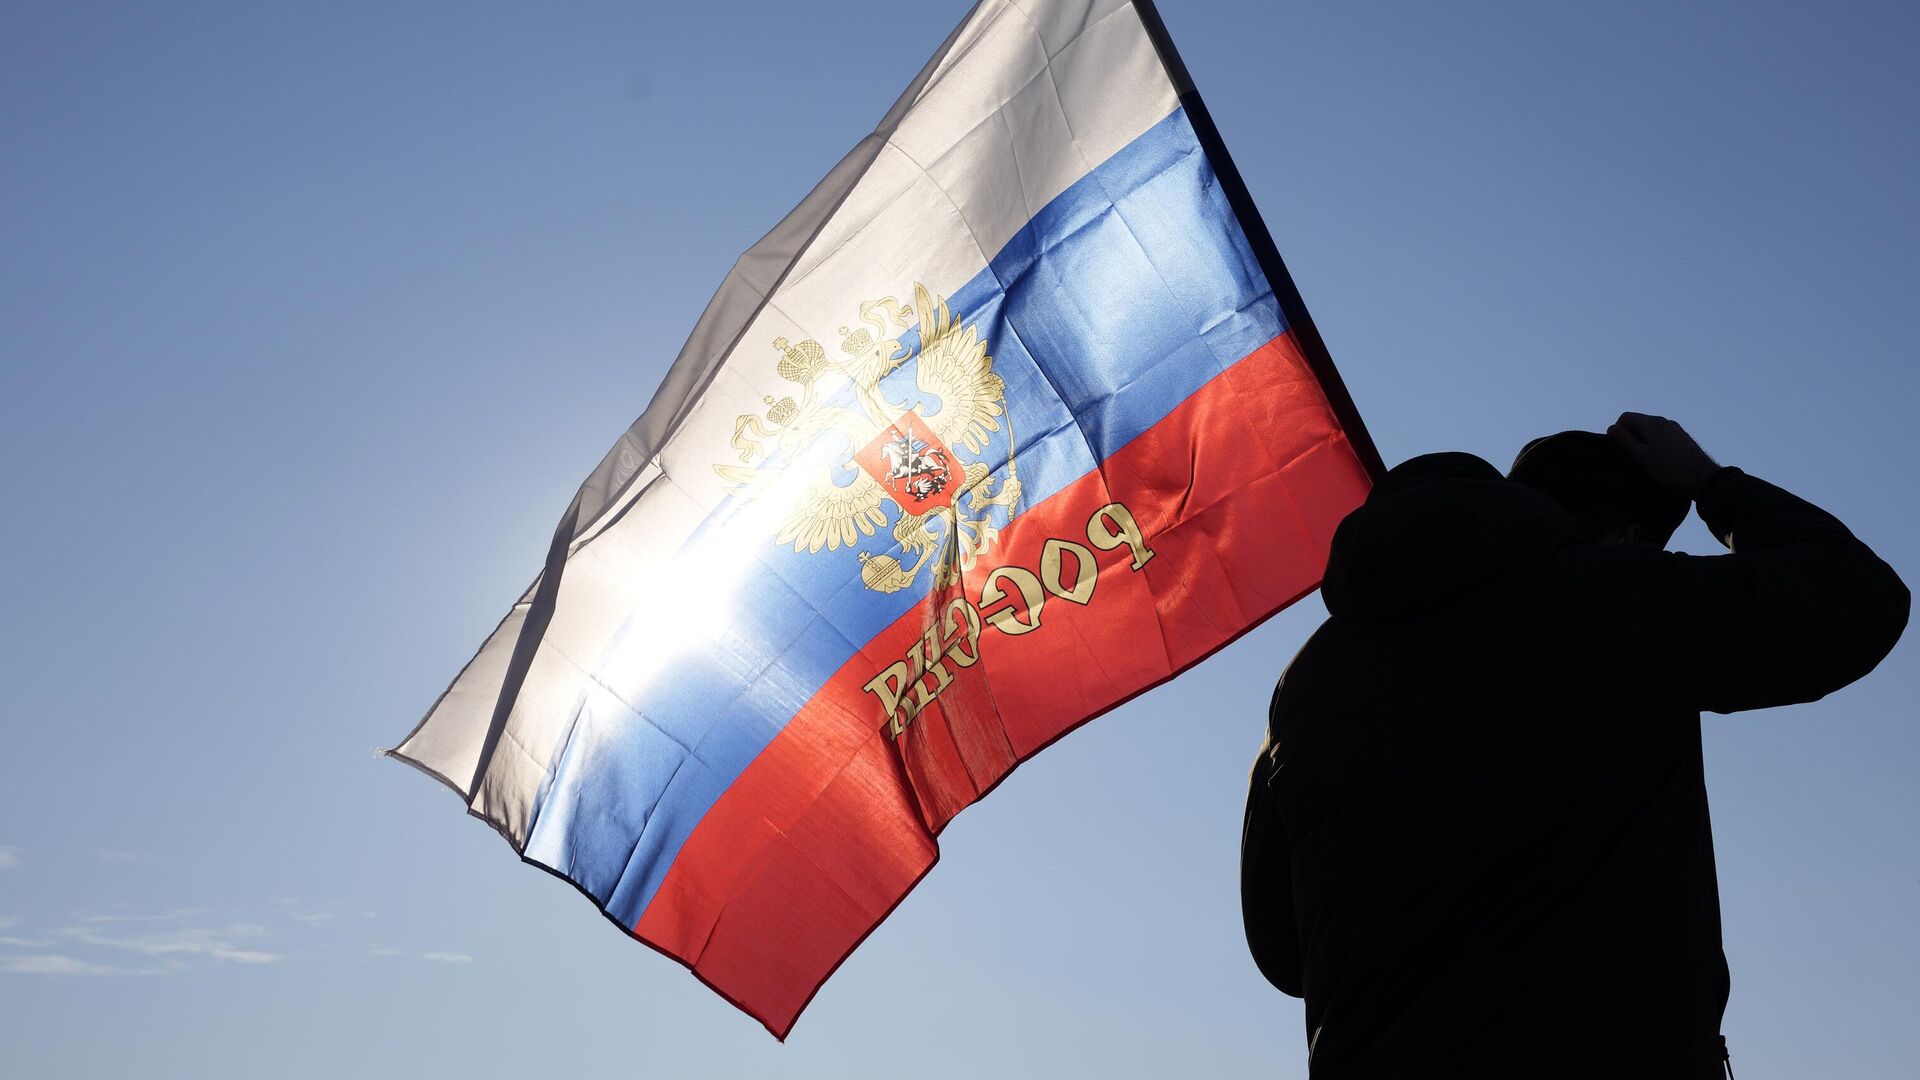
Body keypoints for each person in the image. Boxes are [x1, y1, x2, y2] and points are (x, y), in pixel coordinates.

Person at [1240, 413, 1908, 1078]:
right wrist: (1708, 481)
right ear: (1624, 538)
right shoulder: (1605, 599)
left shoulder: (1302, 688)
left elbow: (1284, 952)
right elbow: (1859, 596)